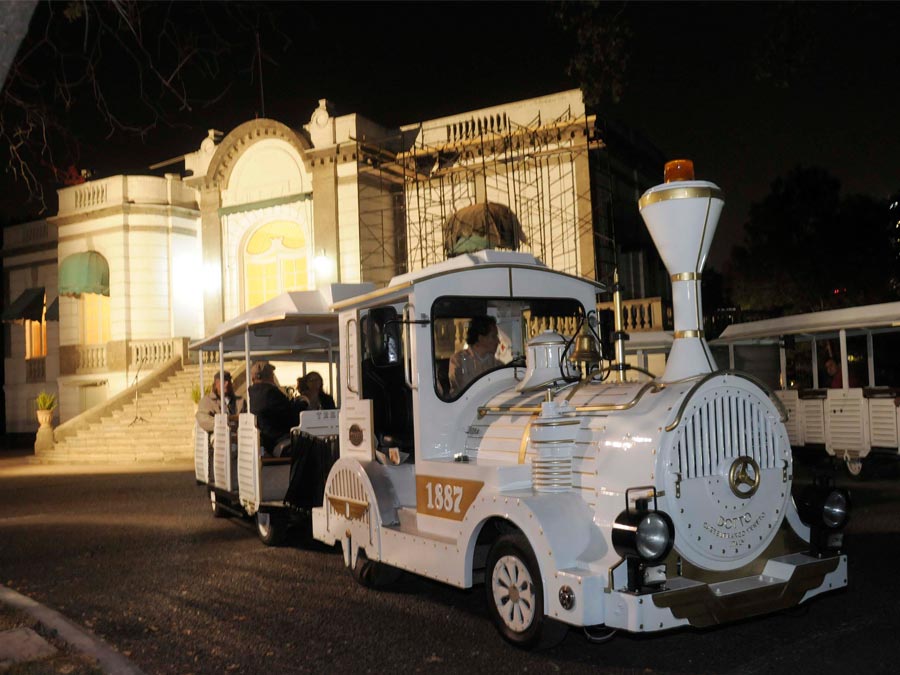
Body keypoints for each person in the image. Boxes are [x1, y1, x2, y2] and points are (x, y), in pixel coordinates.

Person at [245, 360, 307, 455]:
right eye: (271, 374)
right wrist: (303, 402)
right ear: (269, 376)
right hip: (278, 441)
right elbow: (291, 416)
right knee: (316, 446)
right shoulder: (269, 392)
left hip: (269, 440)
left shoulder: (255, 394)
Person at [448, 315, 501, 397]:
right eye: (493, 336)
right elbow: (462, 389)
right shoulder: (458, 361)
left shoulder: (498, 365)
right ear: (481, 338)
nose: (498, 341)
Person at [195, 371, 241, 440]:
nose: (227, 384)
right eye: (224, 381)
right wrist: (228, 419)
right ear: (216, 384)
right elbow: (204, 420)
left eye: (229, 381)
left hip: (239, 437)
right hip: (219, 438)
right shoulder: (207, 401)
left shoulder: (240, 401)